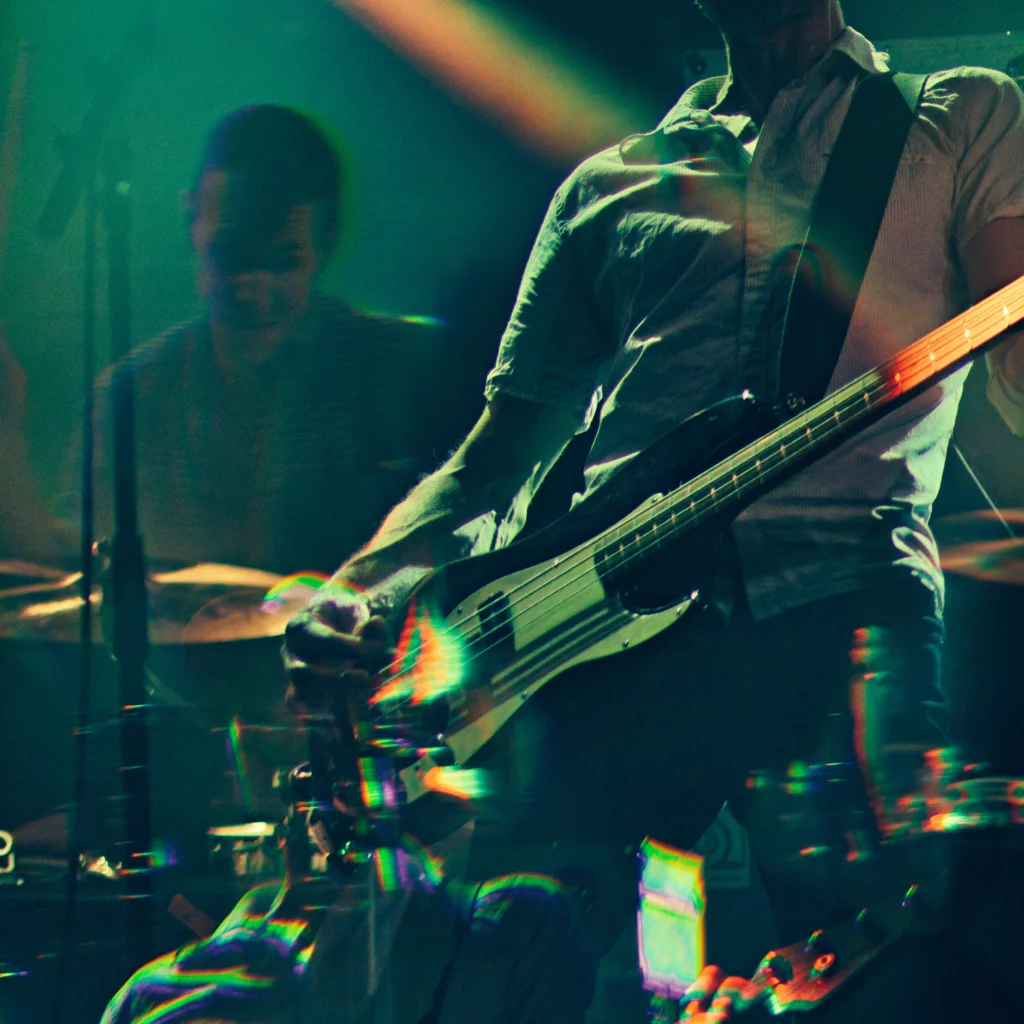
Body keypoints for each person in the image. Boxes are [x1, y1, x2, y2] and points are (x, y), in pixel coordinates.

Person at [280, 0, 1024, 1020]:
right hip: (592, 638)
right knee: (561, 961)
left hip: (837, 602)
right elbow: (491, 459)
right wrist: (358, 593)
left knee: (897, 953)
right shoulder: (609, 180)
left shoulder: (960, 117)